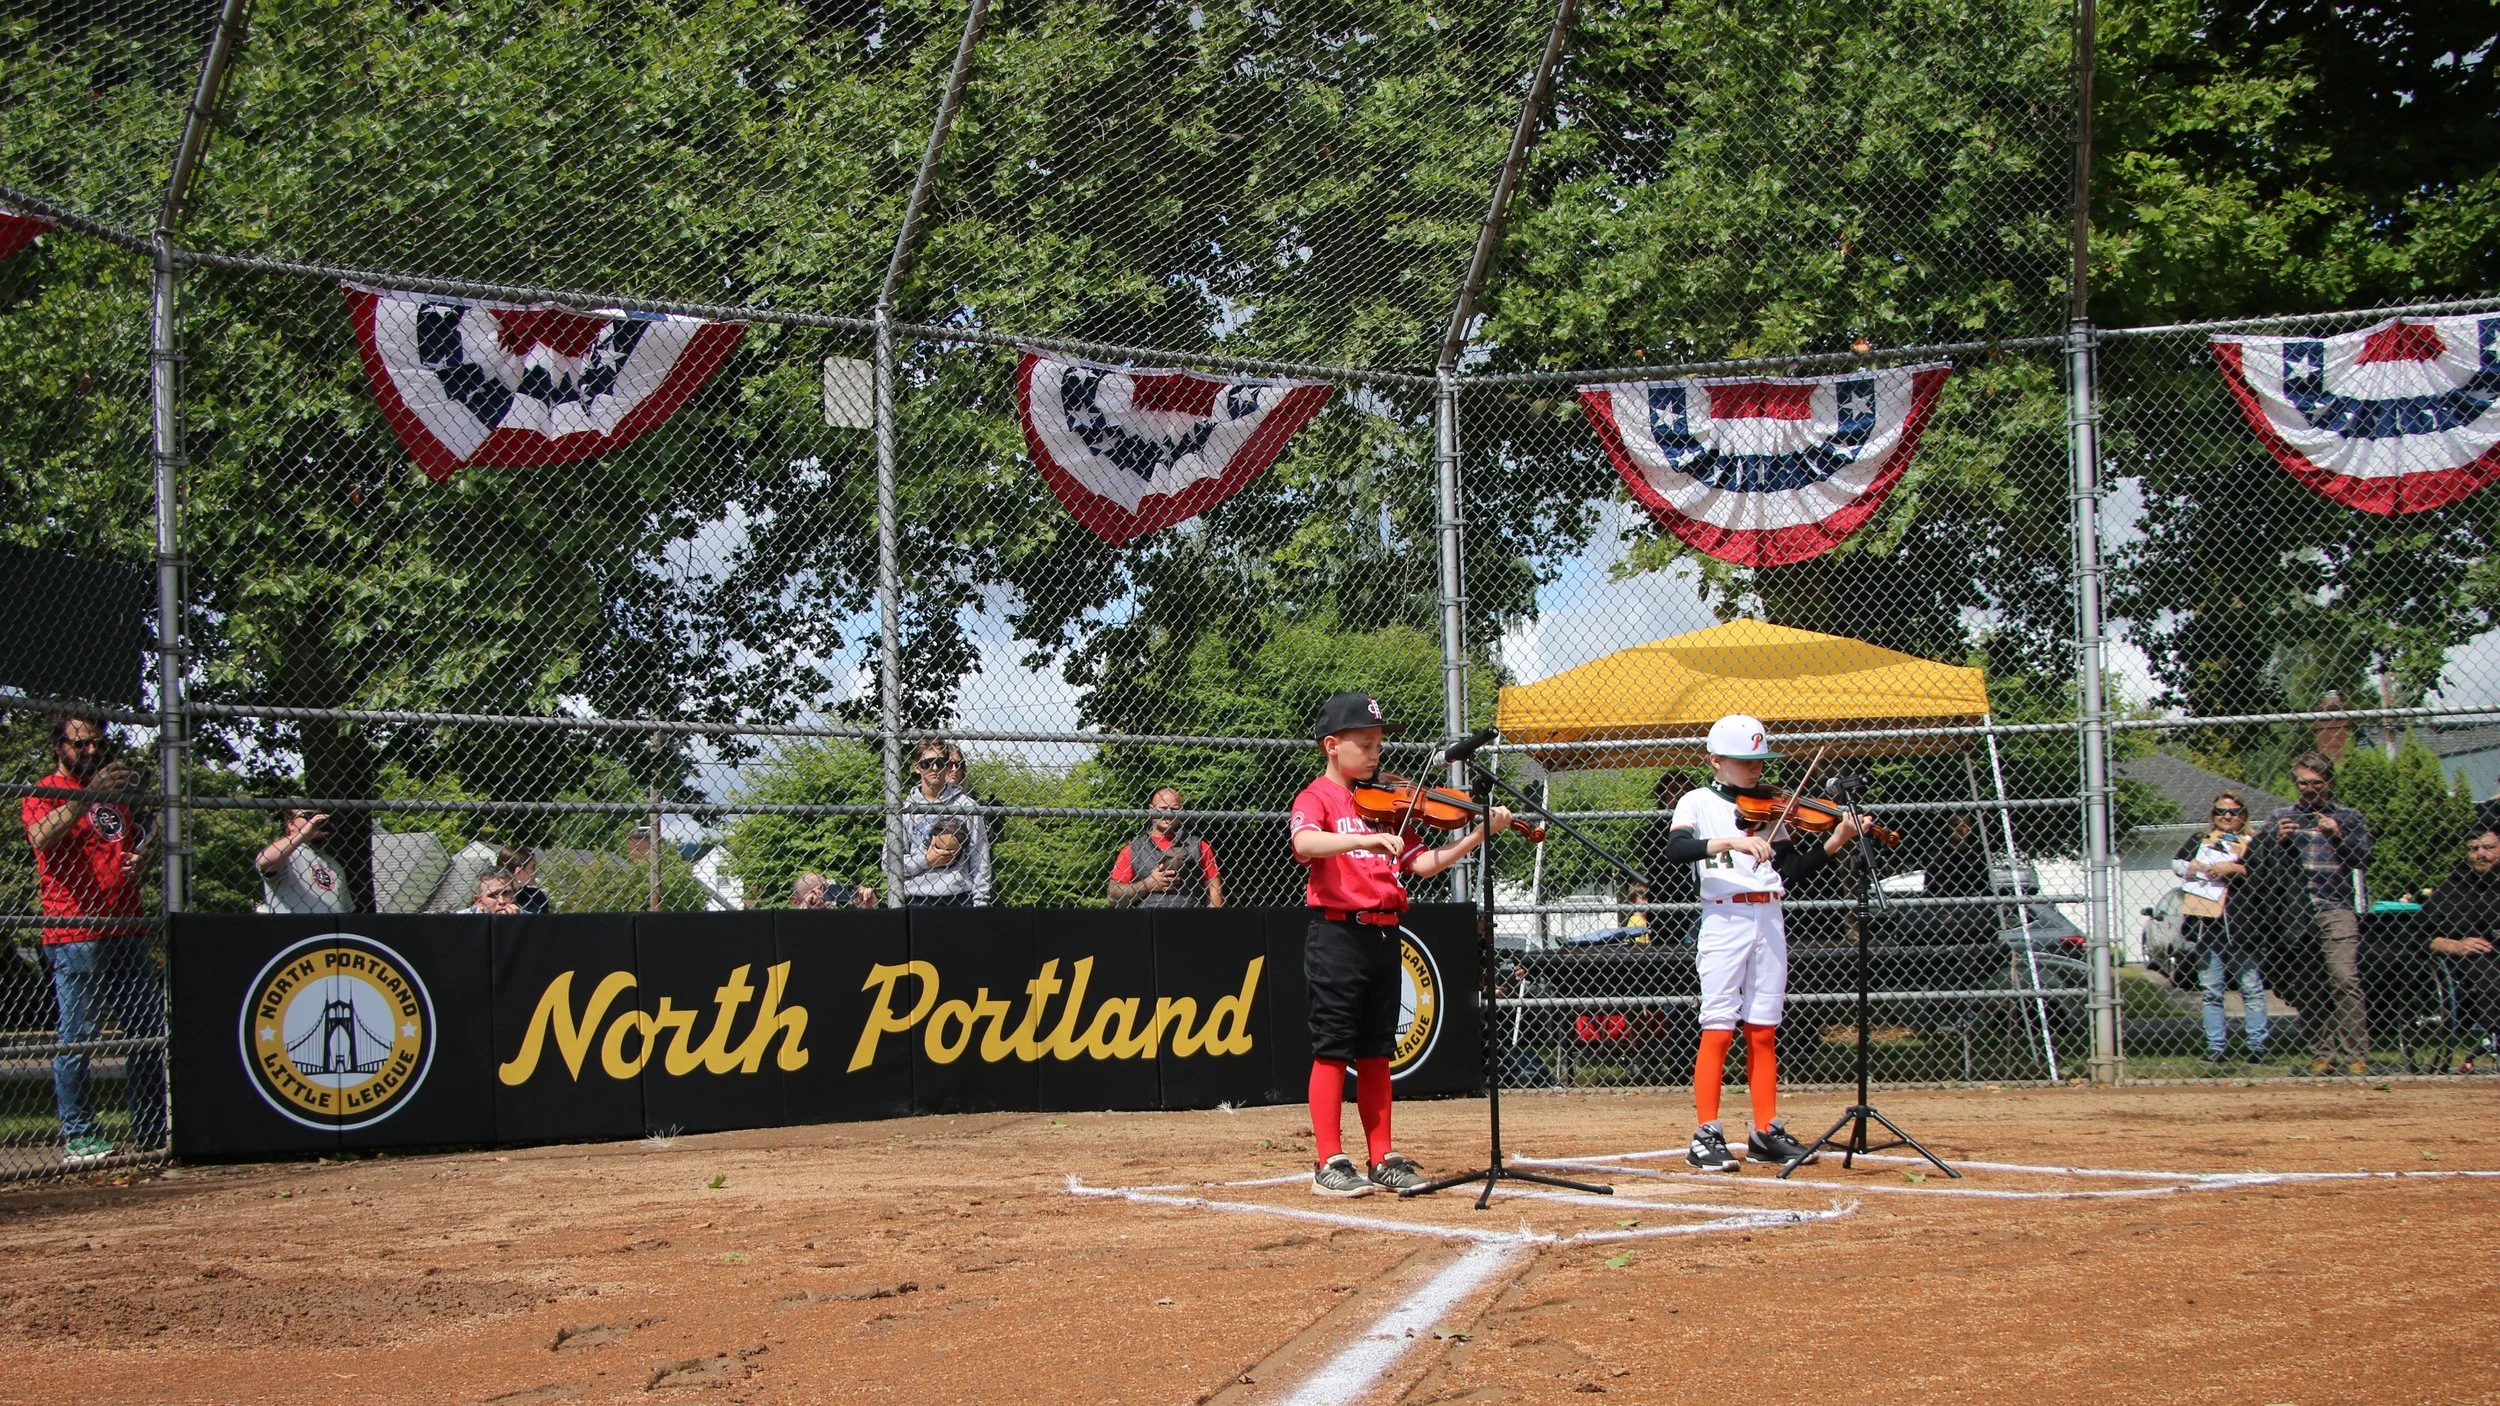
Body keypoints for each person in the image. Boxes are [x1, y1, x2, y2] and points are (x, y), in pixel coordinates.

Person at [1289, 691, 1510, 1197]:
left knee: (1375, 1053)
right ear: (1331, 746)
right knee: (1331, 1049)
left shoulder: (1389, 805)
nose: (1374, 755)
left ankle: (1382, 1156)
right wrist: (1361, 840)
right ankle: (1329, 1158)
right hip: (1338, 934)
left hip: (1386, 934)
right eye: (1363, 745)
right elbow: (1304, 845)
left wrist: (1477, 835)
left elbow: (1424, 863)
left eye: (1377, 745)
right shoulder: (1317, 798)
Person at [1656, 714, 1863, 1172]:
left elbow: (1789, 870)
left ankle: (1766, 1131)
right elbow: (1675, 851)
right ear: (1716, 760)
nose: (1756, 770)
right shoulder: (1695, 801)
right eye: (1745, 761)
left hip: (1769, 914)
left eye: (1760, 761)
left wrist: (1835, 841)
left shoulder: (1772, 808)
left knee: (1764, 1028)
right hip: (1725, 916)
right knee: (1719, 1025)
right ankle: (1705, 1134)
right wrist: (1730, 841)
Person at [22, 712, 164, 1165]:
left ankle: (150, 1133)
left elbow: (131, 843)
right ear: (57, 745)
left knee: (146, 1032)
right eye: (80, 744)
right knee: (78, 1037)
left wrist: (139, 860)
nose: (91, 752)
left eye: (98, 745)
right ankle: (80, 1137)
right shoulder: (44, 791)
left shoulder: (114, 798)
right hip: (75, 930)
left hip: (127, 926)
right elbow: (41, 838)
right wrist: (89, 796)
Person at [2265, 752, 2374, 1076]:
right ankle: (2322, 1054)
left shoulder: (2349, 817)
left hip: (2335, 907)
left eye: (2315, 782)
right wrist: (2277, 840)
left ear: (2328, 782)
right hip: (2295, 912)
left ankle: (2356, 1055)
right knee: (2308, 983)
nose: (2308, 788)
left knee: (2344, 977)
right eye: (2302, 782)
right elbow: (2258, 861)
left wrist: (2337, 834)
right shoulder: (2280, 817)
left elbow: (2364, 859)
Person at [2173, 791, 2266, 1065]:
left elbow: (2266, 871)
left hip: (2243, 926)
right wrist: (2196, 866)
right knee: (2211, 990)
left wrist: (2235, 869)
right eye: (2221, 811)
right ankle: (2215, 1047)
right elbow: (2177, 864)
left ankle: (2257, 1047)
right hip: (2207, 926)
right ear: (2213, 815)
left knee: (2250, 987)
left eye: (2234, 812)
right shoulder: (2200, 840)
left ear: (2243, 815)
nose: (2227, 817)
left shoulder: (2252, 842)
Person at [2419, 821, 2500, 1063]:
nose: (2480, 854)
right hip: (2473, 957)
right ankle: (2494, 1035)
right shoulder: (2455, 886)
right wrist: (2454, 945)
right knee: (2491, 976)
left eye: (2488, 847)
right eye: (2474, 849)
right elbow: (2418, 933)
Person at [889, 738, 991, 907]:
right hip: (918, 899)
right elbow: (889, 863)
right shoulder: (904, 810)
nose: (935, 768)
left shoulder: (966, 806)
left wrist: (981, 903)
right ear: (917, 767)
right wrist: (927, 860)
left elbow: (980, 857)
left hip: (960, 897)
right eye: (927, 763)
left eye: (940, 762)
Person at [1107, 787, 1225, 908]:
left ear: (1181, 811)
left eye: (1174, 809)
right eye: (1163, 808)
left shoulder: (1198, 846)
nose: (1168, 814)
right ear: (1151, 809)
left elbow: (1214, 889)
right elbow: (1113, 896)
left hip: (1190, 922)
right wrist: (1147, 884)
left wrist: (1210, 923)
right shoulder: (1133, 850)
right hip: (1149, 923)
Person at [256, 808, 347, 915]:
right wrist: (304, 833)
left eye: (321, 816)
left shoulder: (333, 864)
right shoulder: (287, 856)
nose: (317, 820)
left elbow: (345, 909)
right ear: (291, 825)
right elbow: (266, 861)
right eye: (309, 816)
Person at [497, 845, 552, 914]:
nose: (537, 872)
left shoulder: (536, 896)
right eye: (533, 867)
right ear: (519, 871)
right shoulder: (491, 897)